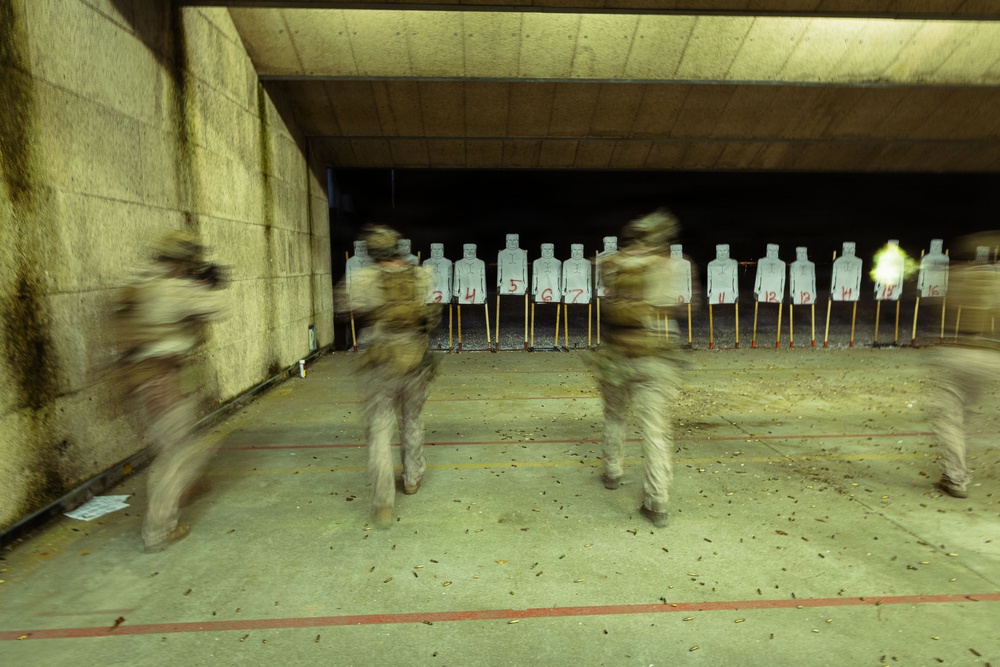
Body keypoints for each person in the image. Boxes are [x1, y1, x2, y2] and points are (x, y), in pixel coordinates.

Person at [114, 230, 227, 553]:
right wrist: (206, 283)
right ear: (182, 260)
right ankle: (159, 530)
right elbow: (218, 308)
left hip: (139, 378)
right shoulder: (175, 288)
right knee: (174, 456)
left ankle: (191, 484)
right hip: (165, 379)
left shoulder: (140, 283)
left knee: (175, 446)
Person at [337, 225, 441, 525]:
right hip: (416, 359)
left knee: (380, 431)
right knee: (412, 420)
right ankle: (412, 478)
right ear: (398, 247)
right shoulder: (422, 274)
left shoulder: (363, 277)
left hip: (380, 363)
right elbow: (430, 313)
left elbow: (344, 309)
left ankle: (383, 502)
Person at [588, 210, 687, 528]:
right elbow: (680, 304)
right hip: (656, 355)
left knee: (615, 415)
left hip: (618, 353)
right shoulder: (670, 266)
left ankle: (612, 472)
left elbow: (605, 291)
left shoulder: (613, 262)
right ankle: (657, 502)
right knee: (655, 430)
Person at [928, 232, 1000, 498]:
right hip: (992, 353)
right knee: (964, 414)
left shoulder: (962, 275)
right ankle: (955, 465)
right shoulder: (996, 281)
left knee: (949, 417)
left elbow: (939, 301)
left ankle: (955, 476)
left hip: (961, 351)